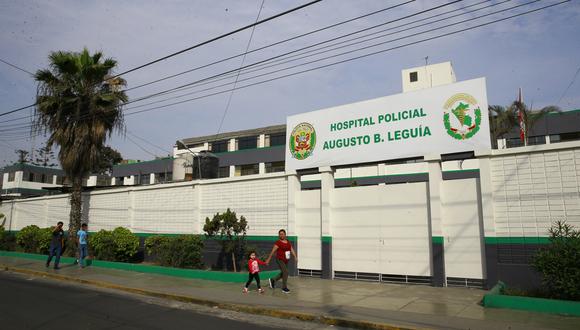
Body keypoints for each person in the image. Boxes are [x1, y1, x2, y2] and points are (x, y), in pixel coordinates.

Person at [266, 229, 297, 293]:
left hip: (286, 260)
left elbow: (291, 249)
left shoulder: (288, 241)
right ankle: (284, 287)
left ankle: (273, 280)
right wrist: (268, 259)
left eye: (282, 234)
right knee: (286, 272)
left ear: (285, 234)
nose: (281, 235)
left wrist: (295, 256)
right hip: (280, 259)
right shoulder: (278, 242)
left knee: (283, 272)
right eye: (280, 234)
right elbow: (273, 251)